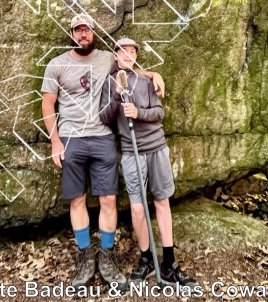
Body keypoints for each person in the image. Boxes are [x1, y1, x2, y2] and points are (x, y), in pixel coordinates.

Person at [41, 15, 165, 292]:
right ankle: (86, 257)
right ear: (72, 33)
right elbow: (48, 105)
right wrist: (55, 142)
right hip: (71, 138)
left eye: (87, 29)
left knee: (108, 198)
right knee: (77, 199)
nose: (83, 34)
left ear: (93, 33)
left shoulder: (106, 58)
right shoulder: (57, 64)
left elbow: (128, 66)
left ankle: (106, 256)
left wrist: (153, 74)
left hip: (103, 138)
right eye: (78, 30)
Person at [99, 38, 197, 287]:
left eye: (133, 52)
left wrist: (138, 113)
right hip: (131, 153)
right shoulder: (110, 83)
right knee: (137, 207)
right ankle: (146, 259)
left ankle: (169, 263)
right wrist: (117, 97)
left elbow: (159, 112)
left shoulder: (146, 80)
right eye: (124, 52)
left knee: (161, 201)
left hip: (156, 148)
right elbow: (106, 117)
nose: (129, 55)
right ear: (116, 56)